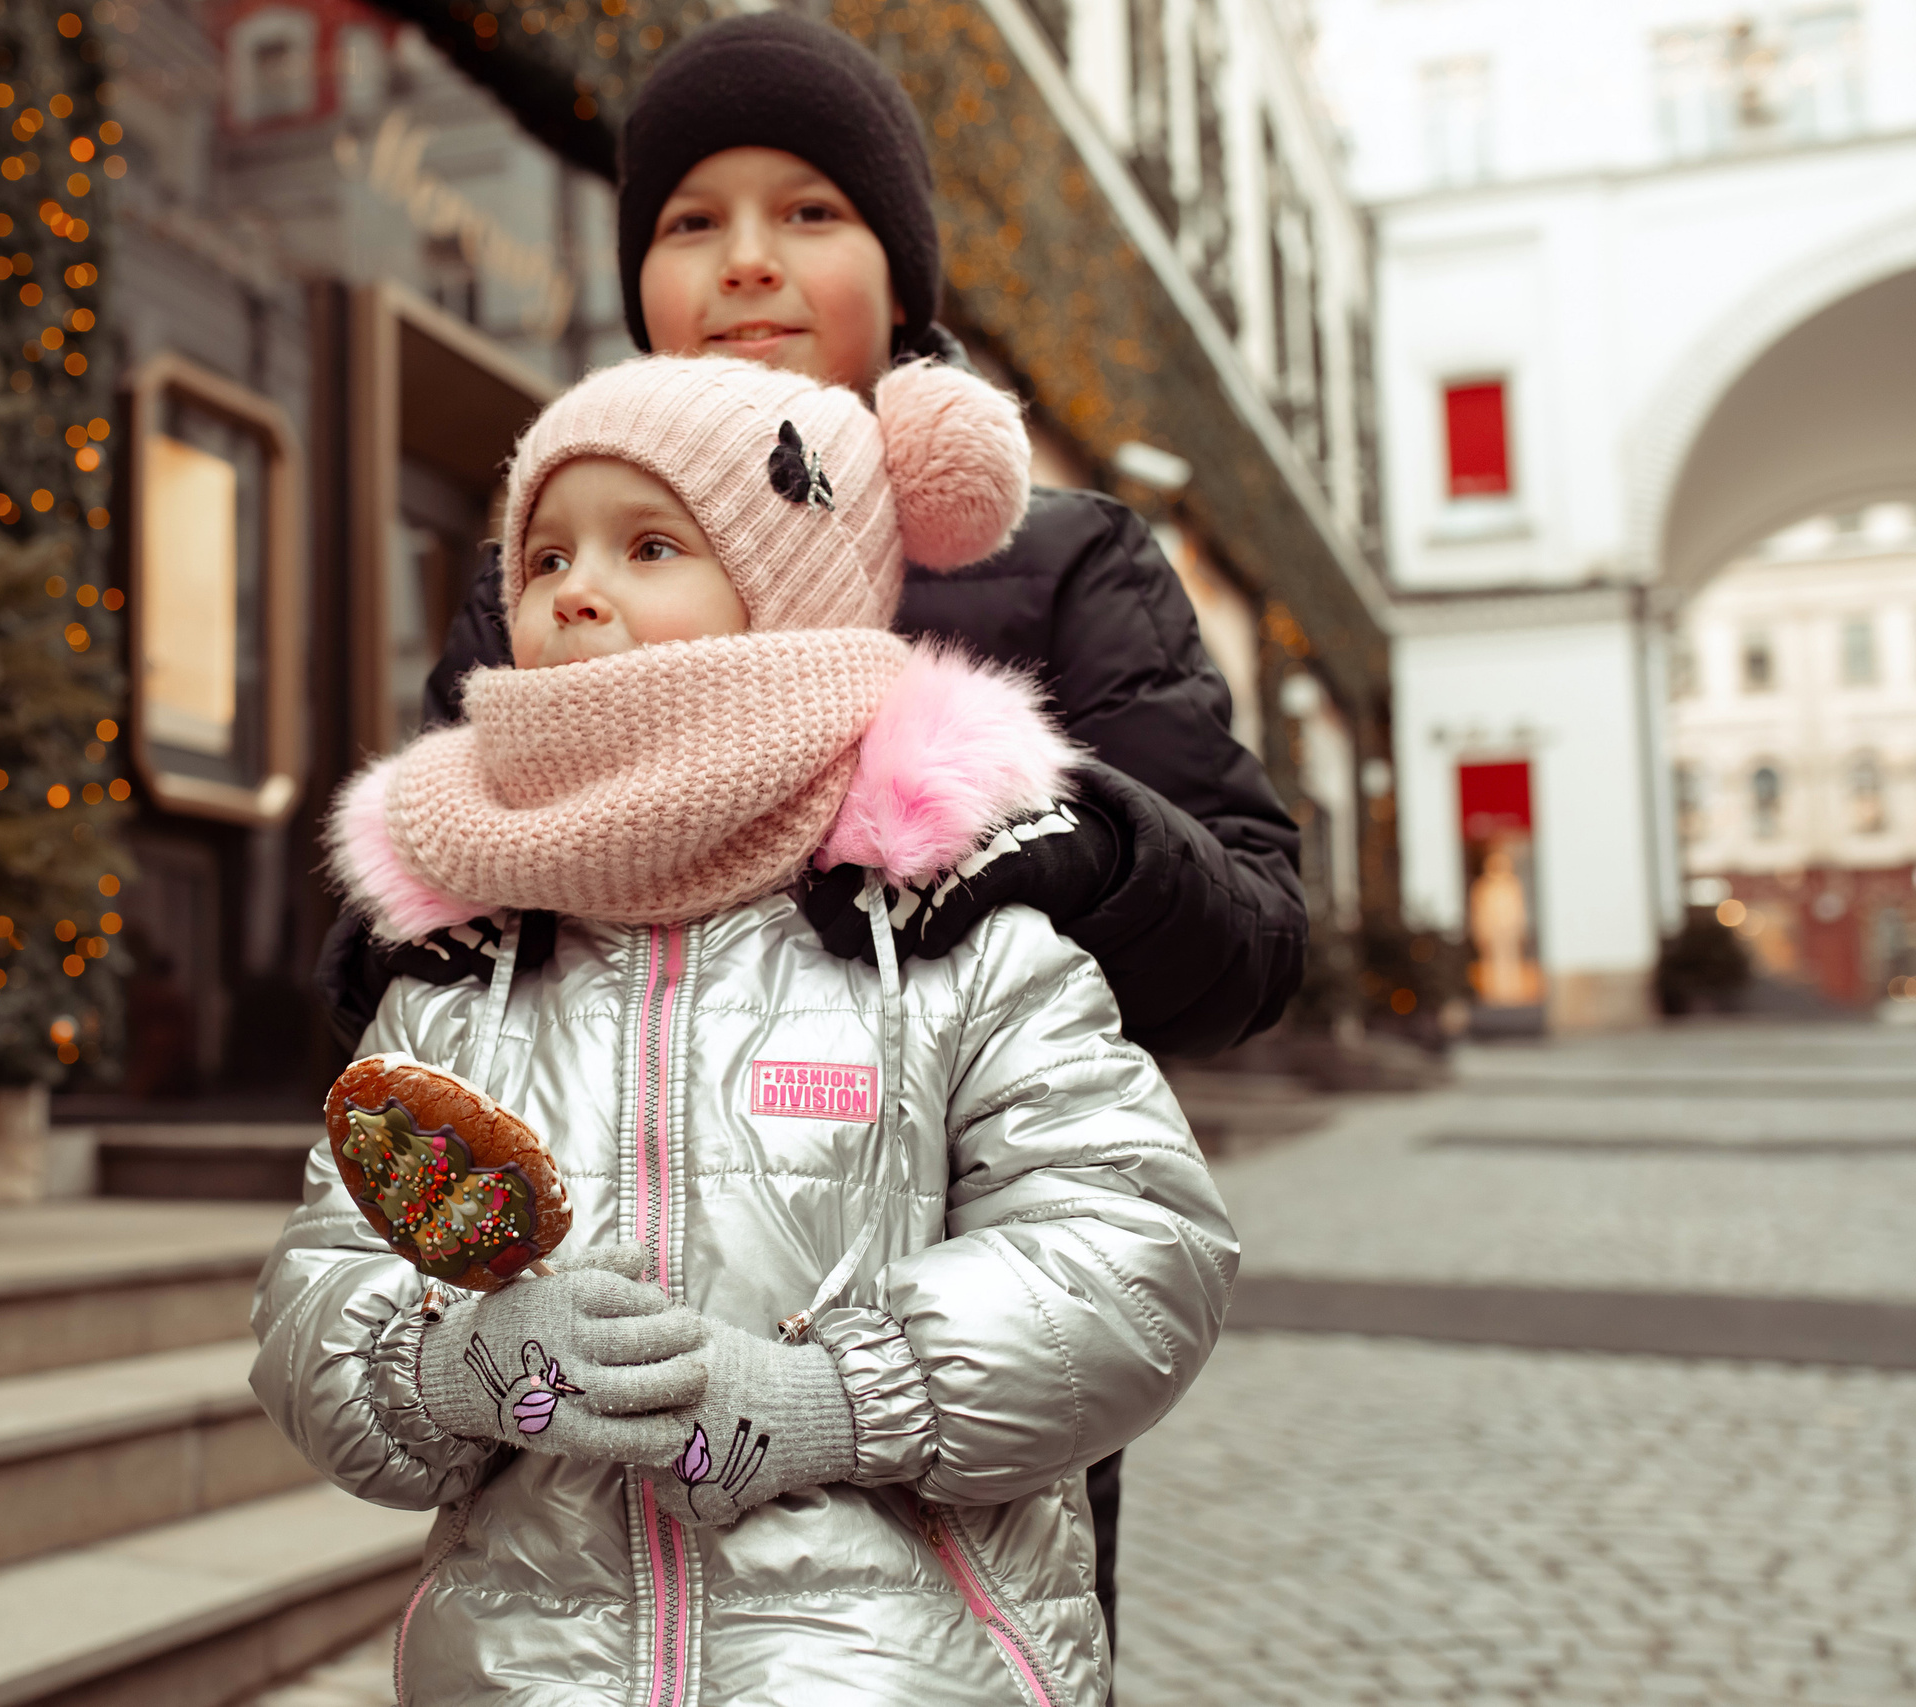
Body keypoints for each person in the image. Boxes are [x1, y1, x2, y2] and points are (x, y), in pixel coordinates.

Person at [317, 11, 1306, 1657]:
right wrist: (408, 947)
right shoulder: (550, 572)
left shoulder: (1058, 565)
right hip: (576, 1500)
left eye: (812, 213)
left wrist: (1064, 842)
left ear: (902, 275)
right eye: (691, 222)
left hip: (943, 1436)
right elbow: (424, 929)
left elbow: (1256, 944)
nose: (748, 264)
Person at [255, 349, 1235, 1704]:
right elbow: (314, 1294)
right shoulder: (465, 965)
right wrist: (450, 1367)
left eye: (648, 543)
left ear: (789, 596)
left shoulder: (949, 931)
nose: (574, 587)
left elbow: (1138, 1252)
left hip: (891, 1662)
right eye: (541, 559)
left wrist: (838, 1399)